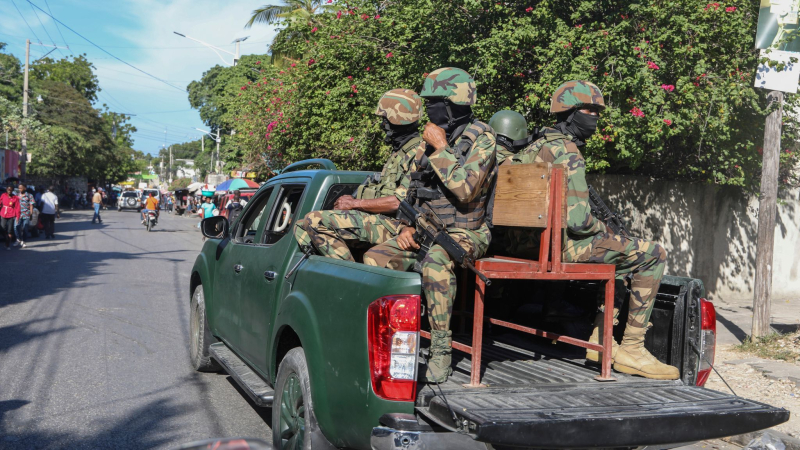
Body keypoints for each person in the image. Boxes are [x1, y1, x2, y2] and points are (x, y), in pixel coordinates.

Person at [508, 80, 677, 380]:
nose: (595, 117)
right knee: (653, 254)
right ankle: (633, 350)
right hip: (558, 247)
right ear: (570, 113)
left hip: (527, 245)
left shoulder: (535, 146)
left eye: (597, 111)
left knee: (619, 253)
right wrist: (608, 231)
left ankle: (602, 339)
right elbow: (579, 222)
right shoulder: (567, 152)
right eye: (589, 110)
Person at [363, 68, 498, 383]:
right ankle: (394, 335)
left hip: (467, 233)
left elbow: (466, 189)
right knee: (376, 259)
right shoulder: (433, 137)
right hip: (426, 229)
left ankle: (440, 350)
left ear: (451, 104)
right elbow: (414, 190)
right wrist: (405, 226)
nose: (428, 110)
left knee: (436, 262)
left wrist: (440, 149)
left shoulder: (482, 137)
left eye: (433, 103)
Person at [295, 88, 425, 258]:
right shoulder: (400, 153)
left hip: (398, 225)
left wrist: (354, 204)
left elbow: (398, 203)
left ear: (396, 120)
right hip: (382, 221)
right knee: (300, 226)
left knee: (315, 220)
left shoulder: (418, 153)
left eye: (385, 120)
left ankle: (348, 277)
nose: (382, 125)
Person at [1, 185, 20, 250]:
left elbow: (17, 208)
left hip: (11, 214)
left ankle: (8, 244)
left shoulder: (15, 198)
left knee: (10, 230)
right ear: (6, 189)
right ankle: (6, 237)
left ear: (12, 190)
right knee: (2, 228)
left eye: (11, 190)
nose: (9, 191)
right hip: (3, 214)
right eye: (8, 190)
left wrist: (17, 217)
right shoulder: (3, 195)